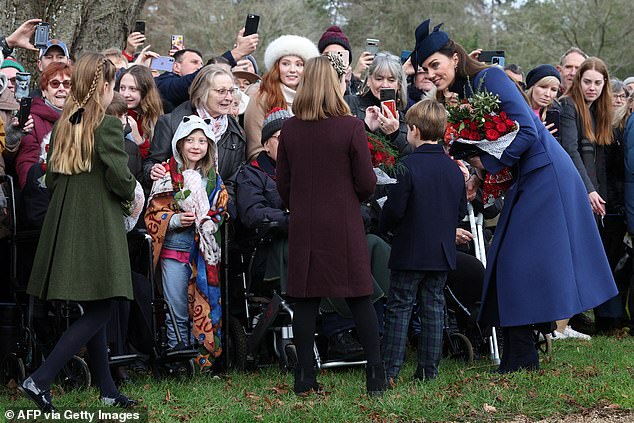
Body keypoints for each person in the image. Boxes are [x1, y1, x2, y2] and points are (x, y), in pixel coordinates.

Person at [411, 18, 617, 373]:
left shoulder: (488, 78)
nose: (430, 74)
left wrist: (481, 157)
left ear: (454, 58)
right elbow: (502, 140)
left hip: (545, 172)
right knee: (507, 258)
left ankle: (523, 353)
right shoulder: (471, 90)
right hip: (529, 175)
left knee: (513, 260)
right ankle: (521, 352)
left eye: (434, 65)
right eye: (425, 70)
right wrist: (479, 169)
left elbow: (526, 132)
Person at [20, 53, 137, 411]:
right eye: (113, 84)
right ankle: (40, 379)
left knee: (95, 306)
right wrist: (130, 192)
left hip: (66, 221)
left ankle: (106, 389)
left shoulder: (65, 122)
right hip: (96, 223)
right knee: (102, 309)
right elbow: (119, 176)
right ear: (103, 86)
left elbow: (51, 178)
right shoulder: (107, 124)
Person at [276, 56, 385, 395]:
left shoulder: (290, 128)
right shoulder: (350, 126)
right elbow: (367, 181)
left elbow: (283, 182)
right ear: (335, 85)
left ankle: (305, 377)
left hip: (306, 223)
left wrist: (301, 203)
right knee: (359, 296)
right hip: (343, 222)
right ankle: (376, 376)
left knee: (306, 302)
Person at [381, 98, 466, 383]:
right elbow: (459, 212)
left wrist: (386, 225)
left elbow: (394, 210)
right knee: (433, 308)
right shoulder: (454, 169)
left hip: (410, 248)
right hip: (441, 251)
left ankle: (390, 370)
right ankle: (428, 370)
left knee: (400, 307)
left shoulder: (407, 166)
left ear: (414, 130)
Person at [145, 115, 227, 369]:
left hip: (203, 255)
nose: (195, 145)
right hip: (174, 253)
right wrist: (176, 220)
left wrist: (212, 220)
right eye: (190, 140)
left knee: (201, 304)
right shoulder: (166, 175)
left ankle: (200, 358)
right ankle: (176, 356)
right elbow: (152, 214)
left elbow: (221, 208)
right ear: (179, 143)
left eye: (202, 141)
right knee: (176, 308)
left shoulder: (214, 178)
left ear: (209, 146)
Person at [560, 58, 625, 335]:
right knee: (571, 257)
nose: (592, 87)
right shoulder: (568, 106)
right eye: (588, 81)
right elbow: (570, 151)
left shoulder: (597, 112)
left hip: (594, 194)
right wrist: (588, 190)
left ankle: (568, 321)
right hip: (574, 192)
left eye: (598, 83)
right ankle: (560, 324)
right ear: (578, 81)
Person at [144, 65, 245, 216]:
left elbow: (232, 181)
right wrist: (152, 171)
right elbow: (150, 165)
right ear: (201, 93)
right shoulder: (171, 123)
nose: (229, 98)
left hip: (215, 219)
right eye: (221, 91)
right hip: (175, 215)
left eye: (231, 91)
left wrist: (221, 208)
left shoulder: (236, 133)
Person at [14, 62, 72, 229]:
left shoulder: (82, 119)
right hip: (45, 196)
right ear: (45, 91)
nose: (62, 89)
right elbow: (27, 162)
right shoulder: (32, 119)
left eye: (67, 84)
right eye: (55, 84)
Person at [243, 34, 319, 161]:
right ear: (276, 67)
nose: (292, 70)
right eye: (286, 64)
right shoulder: (261, 98)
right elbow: (255, 149)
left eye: (299, 64)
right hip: (272, 173)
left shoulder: (316, 99)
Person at [345, 53, 413, 155]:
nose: (385, 85)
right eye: (379, 79)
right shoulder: (349, 104)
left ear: (398, 85)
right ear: (368, 80)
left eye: (391, 80)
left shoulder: (405, 118)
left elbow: (408, 159)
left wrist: (394, 134)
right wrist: (366, 127)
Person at [116, 65, 163, 158]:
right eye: (122, 88)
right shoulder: (112, 113)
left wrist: (140, 141)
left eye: (133, 89)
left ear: (145, 91)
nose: (125, 94)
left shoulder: (156, 118)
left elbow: (154, 159)